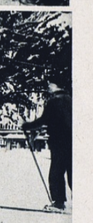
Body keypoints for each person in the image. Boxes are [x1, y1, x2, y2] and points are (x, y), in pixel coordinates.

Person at [22, 74, 72, 211]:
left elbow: (43, 120)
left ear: (56, 86)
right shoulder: (70, 100)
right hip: (72, 141)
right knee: (72, 171)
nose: (48, 87)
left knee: (56, 172)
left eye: (50, 84)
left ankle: (58, 202)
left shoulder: (54, 102)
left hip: (58, 142)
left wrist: (26, 126)